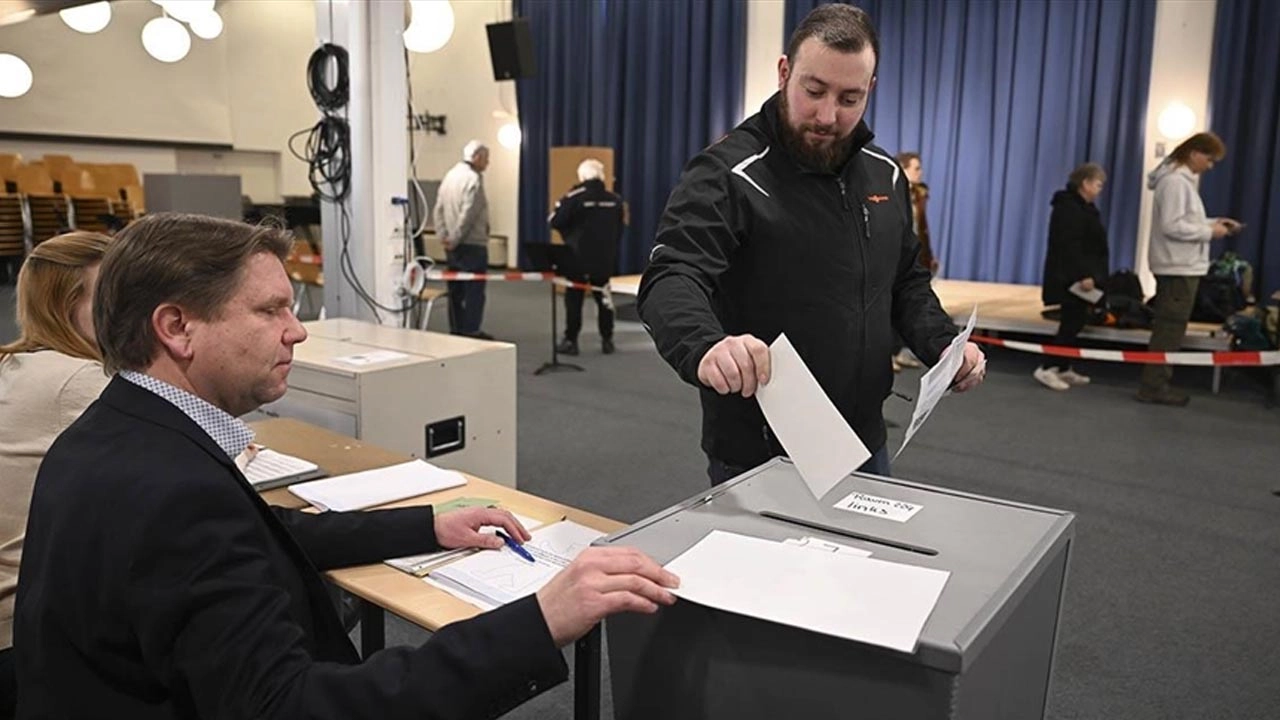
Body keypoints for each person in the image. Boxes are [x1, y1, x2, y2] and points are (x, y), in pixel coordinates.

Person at [13, 213, 679, 717]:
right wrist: (540, 621)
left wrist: (427, 527)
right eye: (271, 310)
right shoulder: (171, 489)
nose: (297, 331)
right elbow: (292, 706)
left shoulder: (116, 430)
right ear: (176, 327)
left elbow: (262, 531)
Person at [638, 4, 986, 486]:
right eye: (814, 91)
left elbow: (905, 281)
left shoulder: (885, 173)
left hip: (865, 440)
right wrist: (707, 346)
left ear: (871, 90)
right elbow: (671, 276)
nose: (827, 116)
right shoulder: (727, 172)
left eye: (849, 98)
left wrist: (942, 344)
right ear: (785, 72)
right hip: (758, 453)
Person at [0, 232, 112, 716]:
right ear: (68, 307)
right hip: (30, 635)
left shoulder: (15, 364)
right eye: (113, 297)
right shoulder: (78, 381)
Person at [1138, 132, 1242, 406]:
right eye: (1209, 159)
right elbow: (1172, 226)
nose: (1210, 166)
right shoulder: (1174, 182)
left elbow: (1184, 221)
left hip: (1181, 264)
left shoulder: (1179, 180)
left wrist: (1213, 223)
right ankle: (1154, 386)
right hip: (1177, 266)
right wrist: (1210, 233)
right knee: (1169, 329)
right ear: (1195, 153)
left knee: (1172, 327)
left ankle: (1158, 382)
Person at [1035, 163, 1110, 391]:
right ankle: (1047, 368)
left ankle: (1064, 366)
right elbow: (1069, 246)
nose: (1099, 189)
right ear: (1085, 183)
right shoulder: (1068, 208)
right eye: (1097, 184)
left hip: (1082, 275)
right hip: (1071, 277)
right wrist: (1083, 275)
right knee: (1069, 323)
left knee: (1076, 321)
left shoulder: (1086, 208)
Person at [550, 158, 625, 356]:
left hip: (576, 257)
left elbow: (554, 220)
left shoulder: (574, 197)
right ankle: (607, 340)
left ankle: (571, 340)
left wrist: (570, 234)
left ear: (582, 176)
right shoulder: (615, 199)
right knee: (604, 298)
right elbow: (620, 228)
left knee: (574, 298)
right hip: (604, 258)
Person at [434, 140, 494, 340]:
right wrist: (456, 238)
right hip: (471, 244)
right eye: (486, 158)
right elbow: (468, 214)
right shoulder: (474, 179)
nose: (488, 163)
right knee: (474, 291)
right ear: (476, 157)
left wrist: (444, 237)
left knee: (455, 290)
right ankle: (471, 330)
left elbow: (438, 209)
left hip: (452, 246)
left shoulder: (450, 175)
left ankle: (456, 328)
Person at [889, 150, 935, 371]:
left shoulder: (918, 195)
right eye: (916, 168)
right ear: (903, 168)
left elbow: (921, 230)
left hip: (913, 255)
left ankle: (902, 352)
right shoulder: (890, 192)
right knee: (889, 307)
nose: (920, 172)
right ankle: (888, 353)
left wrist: (929, 256)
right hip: (893, 257)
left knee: (912, 303)